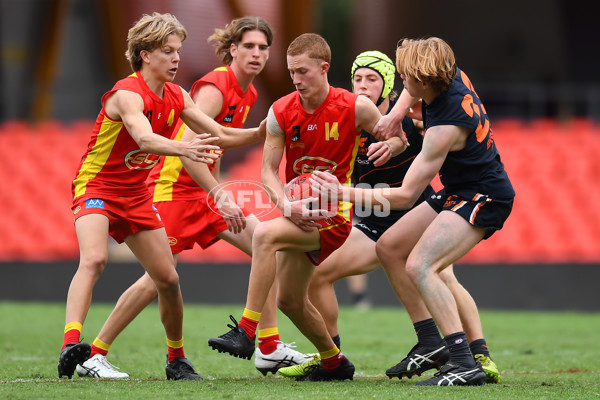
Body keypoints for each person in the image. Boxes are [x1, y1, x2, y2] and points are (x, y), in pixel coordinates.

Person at [72, 16, 314, 379]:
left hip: (203, 194)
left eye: (264, 47)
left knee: (266, 244)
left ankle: (267, 346)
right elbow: (188, 150)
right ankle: (95, 351)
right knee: (159, 280)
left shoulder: (247, 92)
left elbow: (219, 138)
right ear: (232, 50)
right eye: (249, 46)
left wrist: (271, 128)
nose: (258, 54)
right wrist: (219, 193)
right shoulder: (216, 86)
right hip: (176, 193)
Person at [281, 51, 501, 384]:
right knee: (317, 275)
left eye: (372, 78)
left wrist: (397, 144)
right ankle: (331, 357)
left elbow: (411, 139)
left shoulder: (414, 122)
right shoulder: (345, 121)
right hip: (372, 223)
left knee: (440, 275)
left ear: (389, 87)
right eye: (357, 78)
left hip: (417, 211)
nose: (363, 85)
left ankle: (478, 354)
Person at [208, 33, 405, 381]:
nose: (296, 79)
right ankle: (333, 361)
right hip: (296, 211)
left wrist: (391, 144)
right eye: (291, 72)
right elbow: (268, 170)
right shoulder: (281, 110)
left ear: (324, 68)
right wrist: (286, 205)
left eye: (302, 71)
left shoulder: (354, 105)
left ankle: (247, 330)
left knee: (264, 236)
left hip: (334, 214)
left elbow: (396, 137)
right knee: (290, 301)